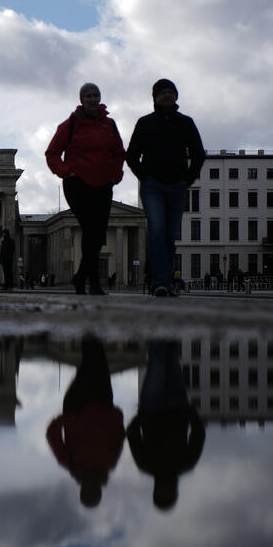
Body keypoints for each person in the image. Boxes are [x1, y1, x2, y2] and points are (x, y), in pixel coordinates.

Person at [125, 78, 206, 297]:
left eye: (171, 91)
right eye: (163, 92)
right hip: (153, 187)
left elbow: (199, 153)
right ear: (155, 97)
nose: (167, 95)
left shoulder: (186, 122)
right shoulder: (145, 123)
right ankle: (160, 282)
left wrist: (188, 179)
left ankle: (165, 280)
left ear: (176, 96)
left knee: (169, 236)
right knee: (157, 231)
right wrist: (144, 176)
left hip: (177, 186)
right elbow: (131, 154)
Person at [46, 82, 125, 295]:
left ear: (100, 98)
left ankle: (81, 277)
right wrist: (65, 171)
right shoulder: (69, 125)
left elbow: (119, 152)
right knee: (91, 228)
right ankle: (93, 282)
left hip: (103, 184)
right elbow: (52, 153)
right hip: (77, 184)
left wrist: (116, 174)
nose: (92, 98)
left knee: (97, 234)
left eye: (95, 95)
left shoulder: (109, 125)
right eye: (88, 95)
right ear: (81, 99)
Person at [46, 336, 125, 508]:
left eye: (88, 492)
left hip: (78, 404)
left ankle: (89, 330)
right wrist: (116, 415)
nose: (91, 488)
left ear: (82, 489)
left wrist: (68, 418)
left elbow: (52, 435)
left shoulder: (71, 463)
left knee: (90, 363)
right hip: (102, 402)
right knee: (98, 361)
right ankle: (91, 331)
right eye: (93, 492)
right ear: (99, 491)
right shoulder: (108, 463)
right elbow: (119, 436)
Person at [127, 340, 206, 511]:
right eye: (169, 493)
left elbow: (132, 435)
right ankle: (167, 326)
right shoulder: (186, 464)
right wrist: (190, 412)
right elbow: (198, 435)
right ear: (176, 492)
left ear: (155, 490)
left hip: (153, 407)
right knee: (170, 358)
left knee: (158, 362)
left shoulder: (146, 464)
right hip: (178, 406)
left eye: (162, 492)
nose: (167, 489)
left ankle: (158, 327)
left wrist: (142, 415)